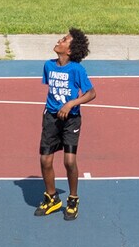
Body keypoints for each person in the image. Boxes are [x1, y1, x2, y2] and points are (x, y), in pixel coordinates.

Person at [35, 27, 95, 220]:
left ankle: (73, 199)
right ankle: (52, 197)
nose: (59, 41)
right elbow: (52, 91)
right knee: (45, 160)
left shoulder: (77, 69)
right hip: (51, 118)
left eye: (64, 40)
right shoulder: (48, 66)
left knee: (69, 161)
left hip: (71, 119)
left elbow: (91, 93)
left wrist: (71, 104)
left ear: (69, 50)